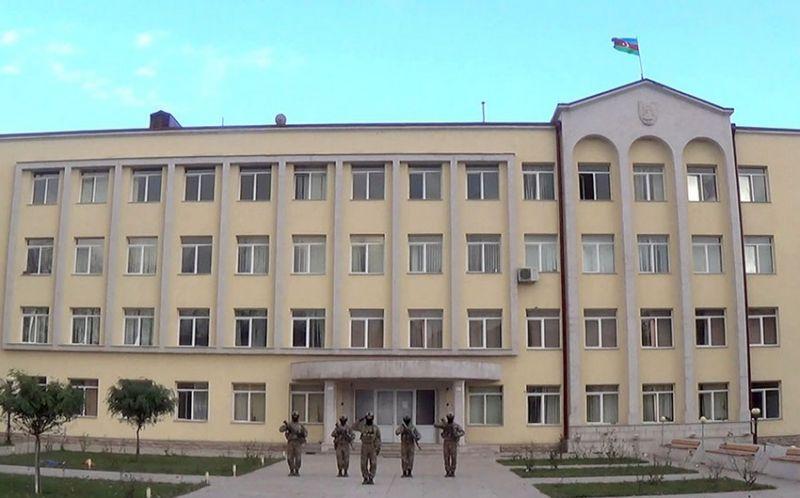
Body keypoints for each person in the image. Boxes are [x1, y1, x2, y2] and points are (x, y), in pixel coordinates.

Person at [434, 412, 465, 477]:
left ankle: (452, 471)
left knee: (453, 457)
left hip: (453, 442)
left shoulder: (456, 425)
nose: (449, 418)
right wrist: (443, 423)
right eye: (448, 417)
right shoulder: (445, 425)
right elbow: (435, 425)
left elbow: (462, 432)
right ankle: (447, 471)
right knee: (446, 457)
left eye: (450, 417)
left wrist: (457, 435)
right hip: (446, 442)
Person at [354, 412, 381, 484]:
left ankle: (371, 477)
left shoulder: (375, 428)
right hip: (364, 446)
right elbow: (354, 427)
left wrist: (378, 448)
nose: (369, 420)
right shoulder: (363, 427)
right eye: (367, 418)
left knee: (373, 463)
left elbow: (378, 438)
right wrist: (360, 420)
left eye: (370, 418)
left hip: (372, 446)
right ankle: (365, 477)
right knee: (363, 463)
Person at [279, 411, 308, 476]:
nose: (295, 417)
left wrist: (301, 433)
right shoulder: (289, 424)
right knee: (289, 457)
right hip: (290, 442)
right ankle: (291, 470)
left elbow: (306, 433)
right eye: (294, 416)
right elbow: (281, 429)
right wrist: (286, 427)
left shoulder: (300, 426)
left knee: (298, 458)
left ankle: (297, 470)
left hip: (298, 442)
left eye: (296, 416)